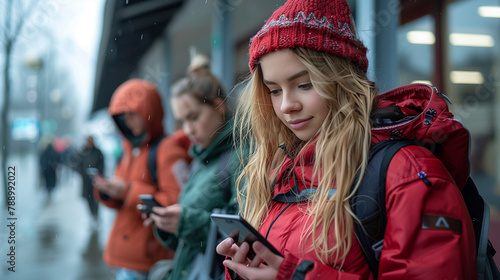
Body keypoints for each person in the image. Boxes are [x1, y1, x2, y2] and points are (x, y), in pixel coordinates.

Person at [216, 0, 477, 279]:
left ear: (343, 80)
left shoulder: (409, 174)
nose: (286, 106)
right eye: (274, 91)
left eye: (305, 84)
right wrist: (244, 270)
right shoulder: (283, 170)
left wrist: (297, 276)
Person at [143, 57, 241, 280]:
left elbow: (245, 238)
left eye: (193, 118)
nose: (187, 130)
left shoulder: (243, 157)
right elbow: (191, 237)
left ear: (219, 105)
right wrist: (168, 223)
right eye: (181, 122)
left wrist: (186, 221)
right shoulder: (201, 159)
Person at [93, 79, 191, 280]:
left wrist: (128, 191)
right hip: (125, 259)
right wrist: (108, 192)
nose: (128, 122)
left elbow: (176, 204)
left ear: (149, 112)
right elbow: (122, 202)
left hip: (148, 262)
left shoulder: (167, 149)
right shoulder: (129, 149)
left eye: (132, 115)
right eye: (122, 118)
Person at [76, 135, 105, 223]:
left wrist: (98, 174)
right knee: (88, 199)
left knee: (96, 198)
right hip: (86, 181)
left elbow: (102, 164)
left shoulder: (98, 152)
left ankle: (96, 214)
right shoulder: (82, 152)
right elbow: (78, 165)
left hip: (96, 181)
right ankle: (92, 214)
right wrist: (83, 173)